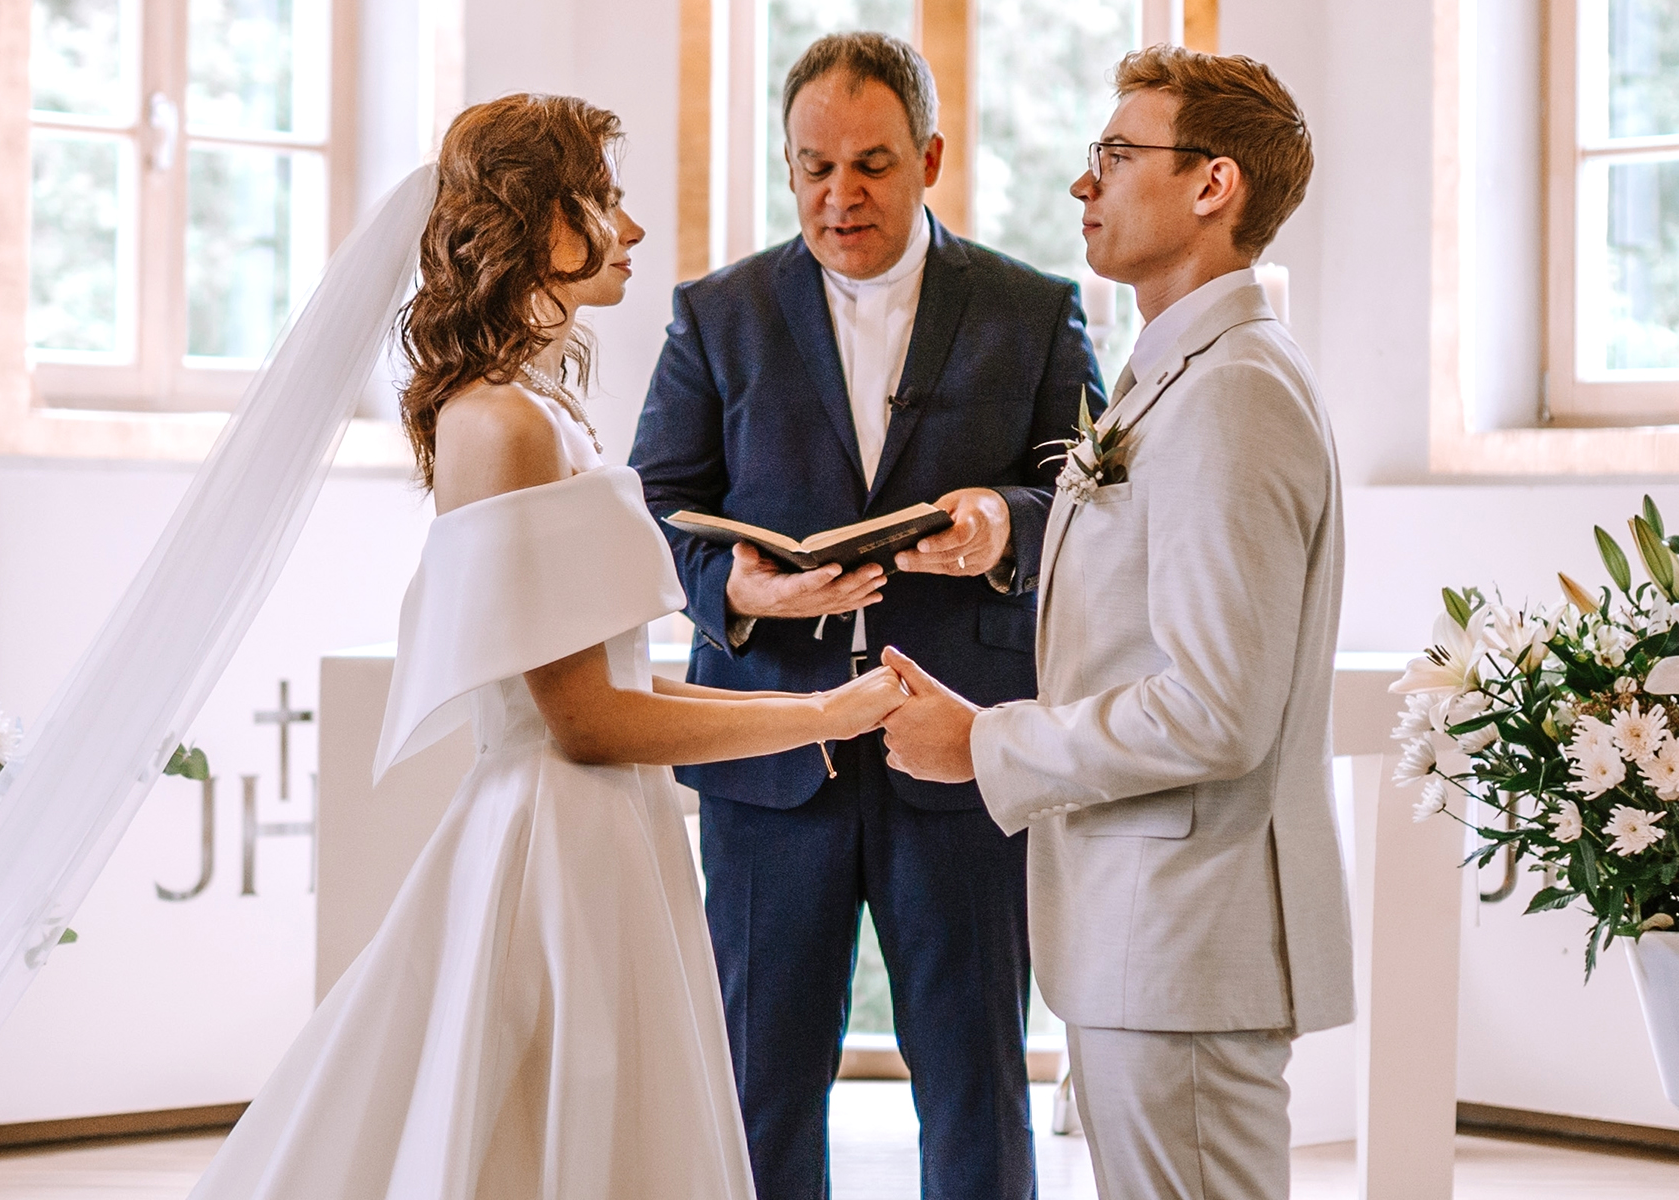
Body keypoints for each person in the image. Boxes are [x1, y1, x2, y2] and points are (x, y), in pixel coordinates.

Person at [187, 94, 909, 1200]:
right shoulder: (503, 425)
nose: (630, 230)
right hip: (554, 843)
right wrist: (819, 715)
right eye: (605, 200)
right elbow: (582, 719)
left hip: (607, 830)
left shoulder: (538, 411)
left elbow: (606, 682)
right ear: (539, 220)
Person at [629, 31, 1102, 1200]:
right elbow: (652, 500)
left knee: (975, 1076)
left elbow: (1095, 495)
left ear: (930, 156)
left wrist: (1002, 521)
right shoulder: (717, 311)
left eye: (873, 165)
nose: (840, 195)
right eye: (814, 167)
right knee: (760, 1082)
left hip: (960, 745)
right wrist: (737, 589)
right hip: (767, 752)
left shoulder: (1033, 309)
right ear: (788, 169)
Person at [879, 47, 1355, 1200]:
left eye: (1114, 156)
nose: (1082, 186)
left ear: (1212, 186)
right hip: (1146, 940)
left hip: (1185, 941)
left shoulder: (1233, 392)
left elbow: (1215, 711)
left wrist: (984, 743)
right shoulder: (1177, 375)